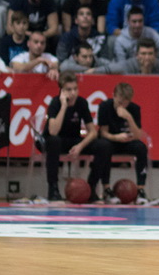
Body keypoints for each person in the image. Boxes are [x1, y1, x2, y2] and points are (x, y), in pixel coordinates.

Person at [40, 71, 111, 201]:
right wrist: (64, 106)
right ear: (61, 90)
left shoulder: (82, 103)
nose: (73, 93)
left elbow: (93, 132)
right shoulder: (55, 103)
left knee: (103, 145)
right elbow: (53, 131)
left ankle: (91, 186)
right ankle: (53, 188)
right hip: (54, 141)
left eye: (75, 89)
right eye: (68, 89)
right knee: (54, 141)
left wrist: (80, 146)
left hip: (73, 140)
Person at [96, 81, 149, 202]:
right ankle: (106, 188)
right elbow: (103, 132)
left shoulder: (134, 109)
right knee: (104, 146)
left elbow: (137, 135)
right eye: (120, 102)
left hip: (128, 142)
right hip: (112, 140)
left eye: (126, 103)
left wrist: (129, 117)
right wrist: (116, 137)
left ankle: (141, 189)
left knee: (141, 148)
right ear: (114, 96)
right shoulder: (105, 106)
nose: (122, 106)